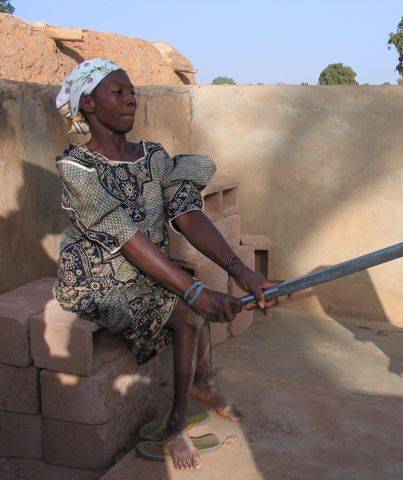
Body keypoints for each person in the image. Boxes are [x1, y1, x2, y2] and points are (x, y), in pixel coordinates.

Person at [54, 59, 279, 470]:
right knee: (190, 309)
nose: (130, 99)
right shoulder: (77, 168)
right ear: (88, 103)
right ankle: (176, 425)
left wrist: (243, 273)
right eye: (118, 92)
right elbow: (126, 237)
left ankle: (203, 381)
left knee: (197, 286)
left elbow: (188, 214)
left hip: (143, 265)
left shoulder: (152, 156)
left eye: (132, 91)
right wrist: (193, 292)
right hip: (98, 276)